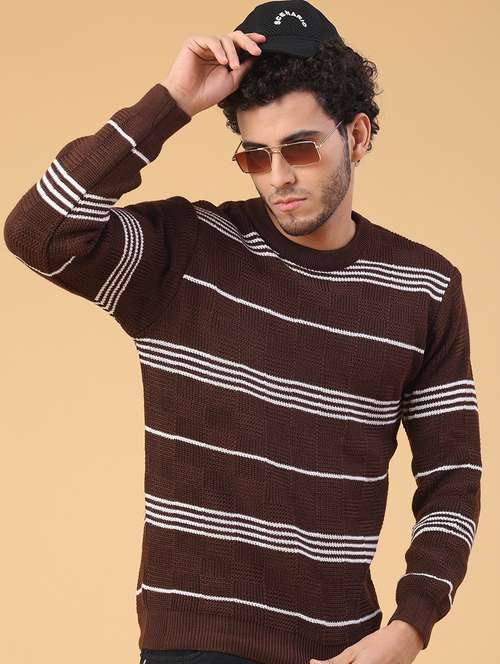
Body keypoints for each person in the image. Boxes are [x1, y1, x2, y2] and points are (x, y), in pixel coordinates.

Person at [3, 2, 482, 664]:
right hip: (195, 647)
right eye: (255, 156)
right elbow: (39, 232)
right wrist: (171, 101)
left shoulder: (423, 287)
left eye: (301, 149)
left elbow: (453, 478)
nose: (278, 177)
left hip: (346, 649)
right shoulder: (186, 251)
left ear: (358, 135)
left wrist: (411, 628)